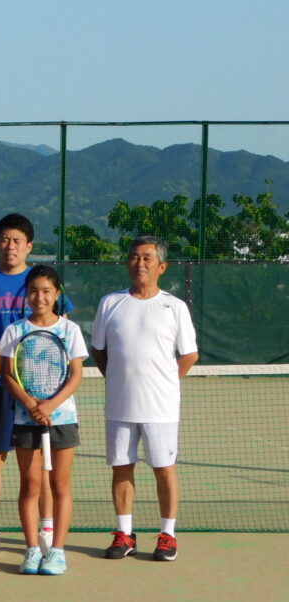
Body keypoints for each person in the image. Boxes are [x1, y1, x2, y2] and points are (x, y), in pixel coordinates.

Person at [0, 213, 73, 559]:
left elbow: (63, 326)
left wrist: (44, 390)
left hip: (41, 390)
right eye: (4, 239)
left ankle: (46, 529)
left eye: (17, 240)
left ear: (29, 246)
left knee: (40, 466)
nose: (10, 246)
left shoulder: (41, 279)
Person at [91, 236, 198, 561]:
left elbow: (189, 355)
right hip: (119, 406)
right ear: (127, 263)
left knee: (164, 469)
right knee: (121, 468)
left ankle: (167, 535)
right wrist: (118, 380)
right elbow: (99, 350)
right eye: (135, 257)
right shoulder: (110, 303)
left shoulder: (175, 307)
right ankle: (124, 534)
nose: (140, 263)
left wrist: (166, 383)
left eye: (148, 258)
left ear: (161, 267)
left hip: (161, 409)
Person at [0, 266, 87, 575]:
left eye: (46, 291)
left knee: (60, 485)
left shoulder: (70, 330)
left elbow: (76, 375)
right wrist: (30, 404)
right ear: (26, 294)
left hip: (61, 418)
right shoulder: (14, 331)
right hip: (26, 419)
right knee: (30, 485)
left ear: (57, 294)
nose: (40, 297)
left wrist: (50, 405)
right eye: (34, 291)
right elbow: (9, 375)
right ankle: (33, 550)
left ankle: (57, 552)